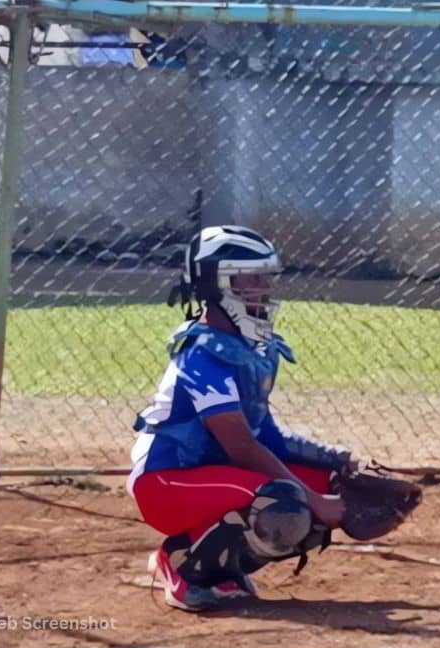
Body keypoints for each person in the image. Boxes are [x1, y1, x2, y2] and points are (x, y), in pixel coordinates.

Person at [128, 225, 358, 612]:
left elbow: (266, 437)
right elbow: (239, 445)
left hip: (209, 475)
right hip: (165, 483)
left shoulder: (248, 349)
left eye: (264, 278)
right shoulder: (201, 353)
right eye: (249, 279)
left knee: (327, 484)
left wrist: (338, 461)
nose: (262, 289)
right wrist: (315, 500)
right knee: (284, 502)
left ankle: (221, 569)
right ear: (214, 286)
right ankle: (182, 564)